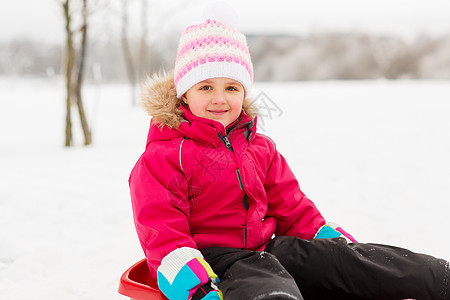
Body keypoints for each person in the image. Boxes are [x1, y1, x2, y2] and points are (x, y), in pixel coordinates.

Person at [129, 16, 450, 300]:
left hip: (268, 248)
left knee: (351, 263)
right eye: (206, 87)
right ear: (185, 93)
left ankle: (441, 279)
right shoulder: (165, 159)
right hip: (214, 265)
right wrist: (194, 288)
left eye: (231, 87)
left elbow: (292, 208)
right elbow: (164, 235)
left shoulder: (260, 148)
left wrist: (331, 245)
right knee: (268, 283)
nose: (219, 99)